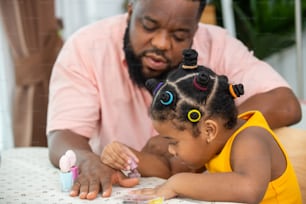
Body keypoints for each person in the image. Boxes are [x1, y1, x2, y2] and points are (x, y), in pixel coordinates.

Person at [46, 0, 302, 200]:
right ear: (131, 10)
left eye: (180, 36)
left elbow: (286, 104)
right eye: (149, 26)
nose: (161, 43)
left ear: (196, 29)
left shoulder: (246, 138)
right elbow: (64, 133)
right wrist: (107, 157)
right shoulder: (86, 46)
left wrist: (188, 157)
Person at [101, 49, 302, 203]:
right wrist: (124, 155)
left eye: (173, 142)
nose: (170, 150)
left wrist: (179, 183)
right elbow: (167, 170)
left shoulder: (251, 139)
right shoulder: (212, 144)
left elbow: (249, 188)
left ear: (209, 130)